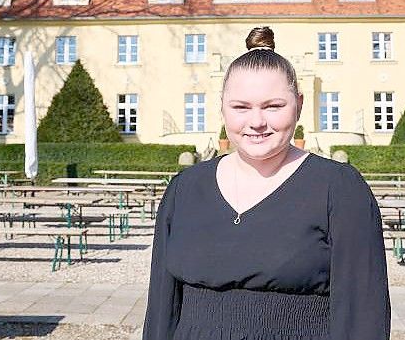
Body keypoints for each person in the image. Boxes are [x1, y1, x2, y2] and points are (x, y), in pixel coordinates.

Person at [143, 27, 390, 340]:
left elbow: (363, 315)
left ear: (298, 104)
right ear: (222, 107)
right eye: (241, 107)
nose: (256, 122)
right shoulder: (185, 189)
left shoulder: (339, 189)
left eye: (273, 106)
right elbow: (162, 309)